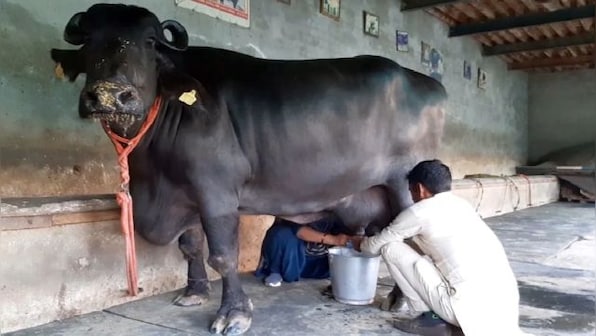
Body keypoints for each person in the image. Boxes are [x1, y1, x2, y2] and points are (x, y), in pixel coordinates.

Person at [351, 159, 533, 336]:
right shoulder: (462, 206)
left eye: (411, 190)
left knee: (390, 248)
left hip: (463, 311)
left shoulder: (419, 212)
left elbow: (372, 248)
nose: (412, 197)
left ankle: (430, 319)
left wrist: (346, 240)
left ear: (420, 189)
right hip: (503, 309)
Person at [255, 216, 354, 287]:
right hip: (292, 261)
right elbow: (299, 231)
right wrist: (333, 239)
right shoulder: (297, 201)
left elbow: (347, 233)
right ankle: (275, 272)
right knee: (280, 233)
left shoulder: (336, 207)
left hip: (318, 267)